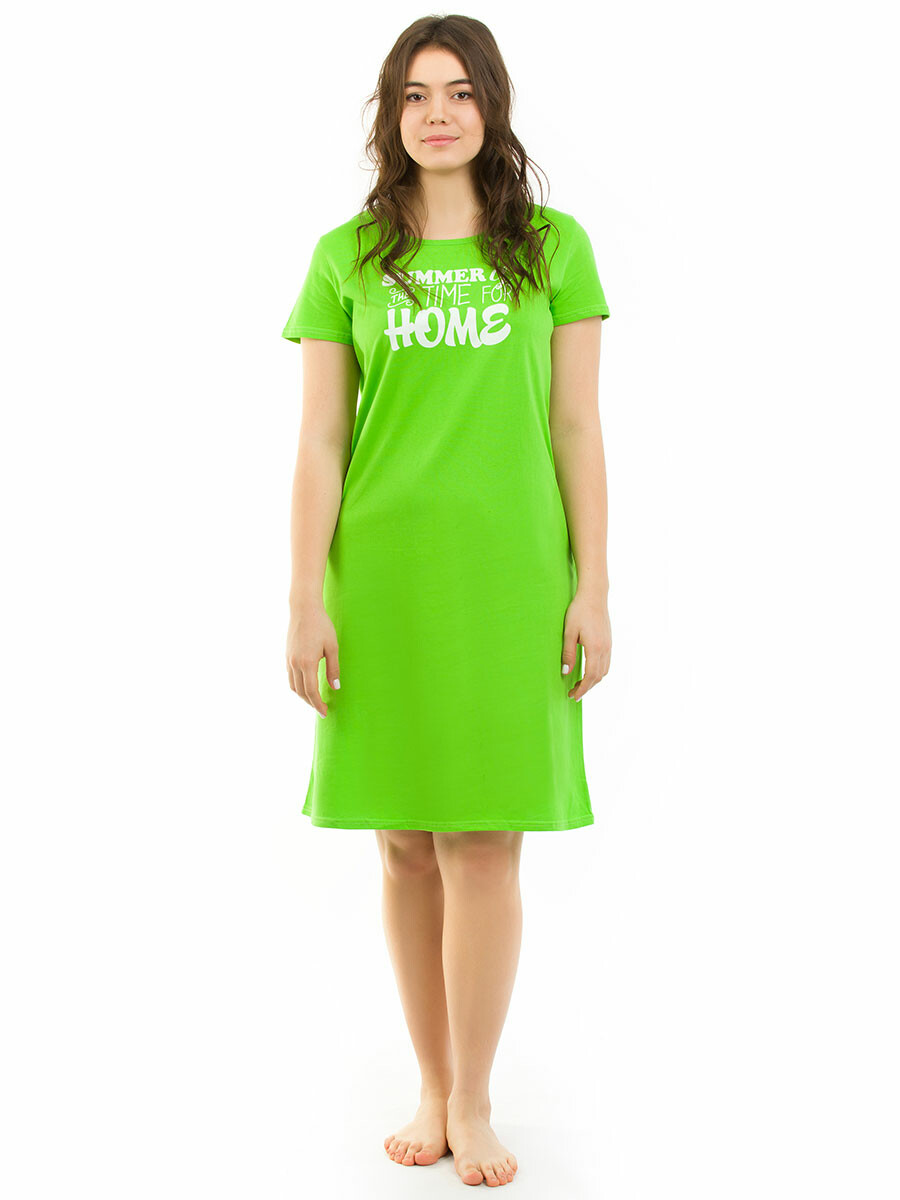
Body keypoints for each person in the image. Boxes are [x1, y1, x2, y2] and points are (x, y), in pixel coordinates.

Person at [282, 14, 612, 1189]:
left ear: (492, 109)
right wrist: (304, 597)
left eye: (461, 92)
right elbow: (322, 442)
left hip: (510, 578)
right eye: (416, 94)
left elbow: (576, 427)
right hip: (381, 579)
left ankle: (474, 1098)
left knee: (482, 840)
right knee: (405, 845)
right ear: (390, 114)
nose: (438, 113)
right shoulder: (345, 258)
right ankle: (430, 1084)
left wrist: (594, 584)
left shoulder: (554, 251)